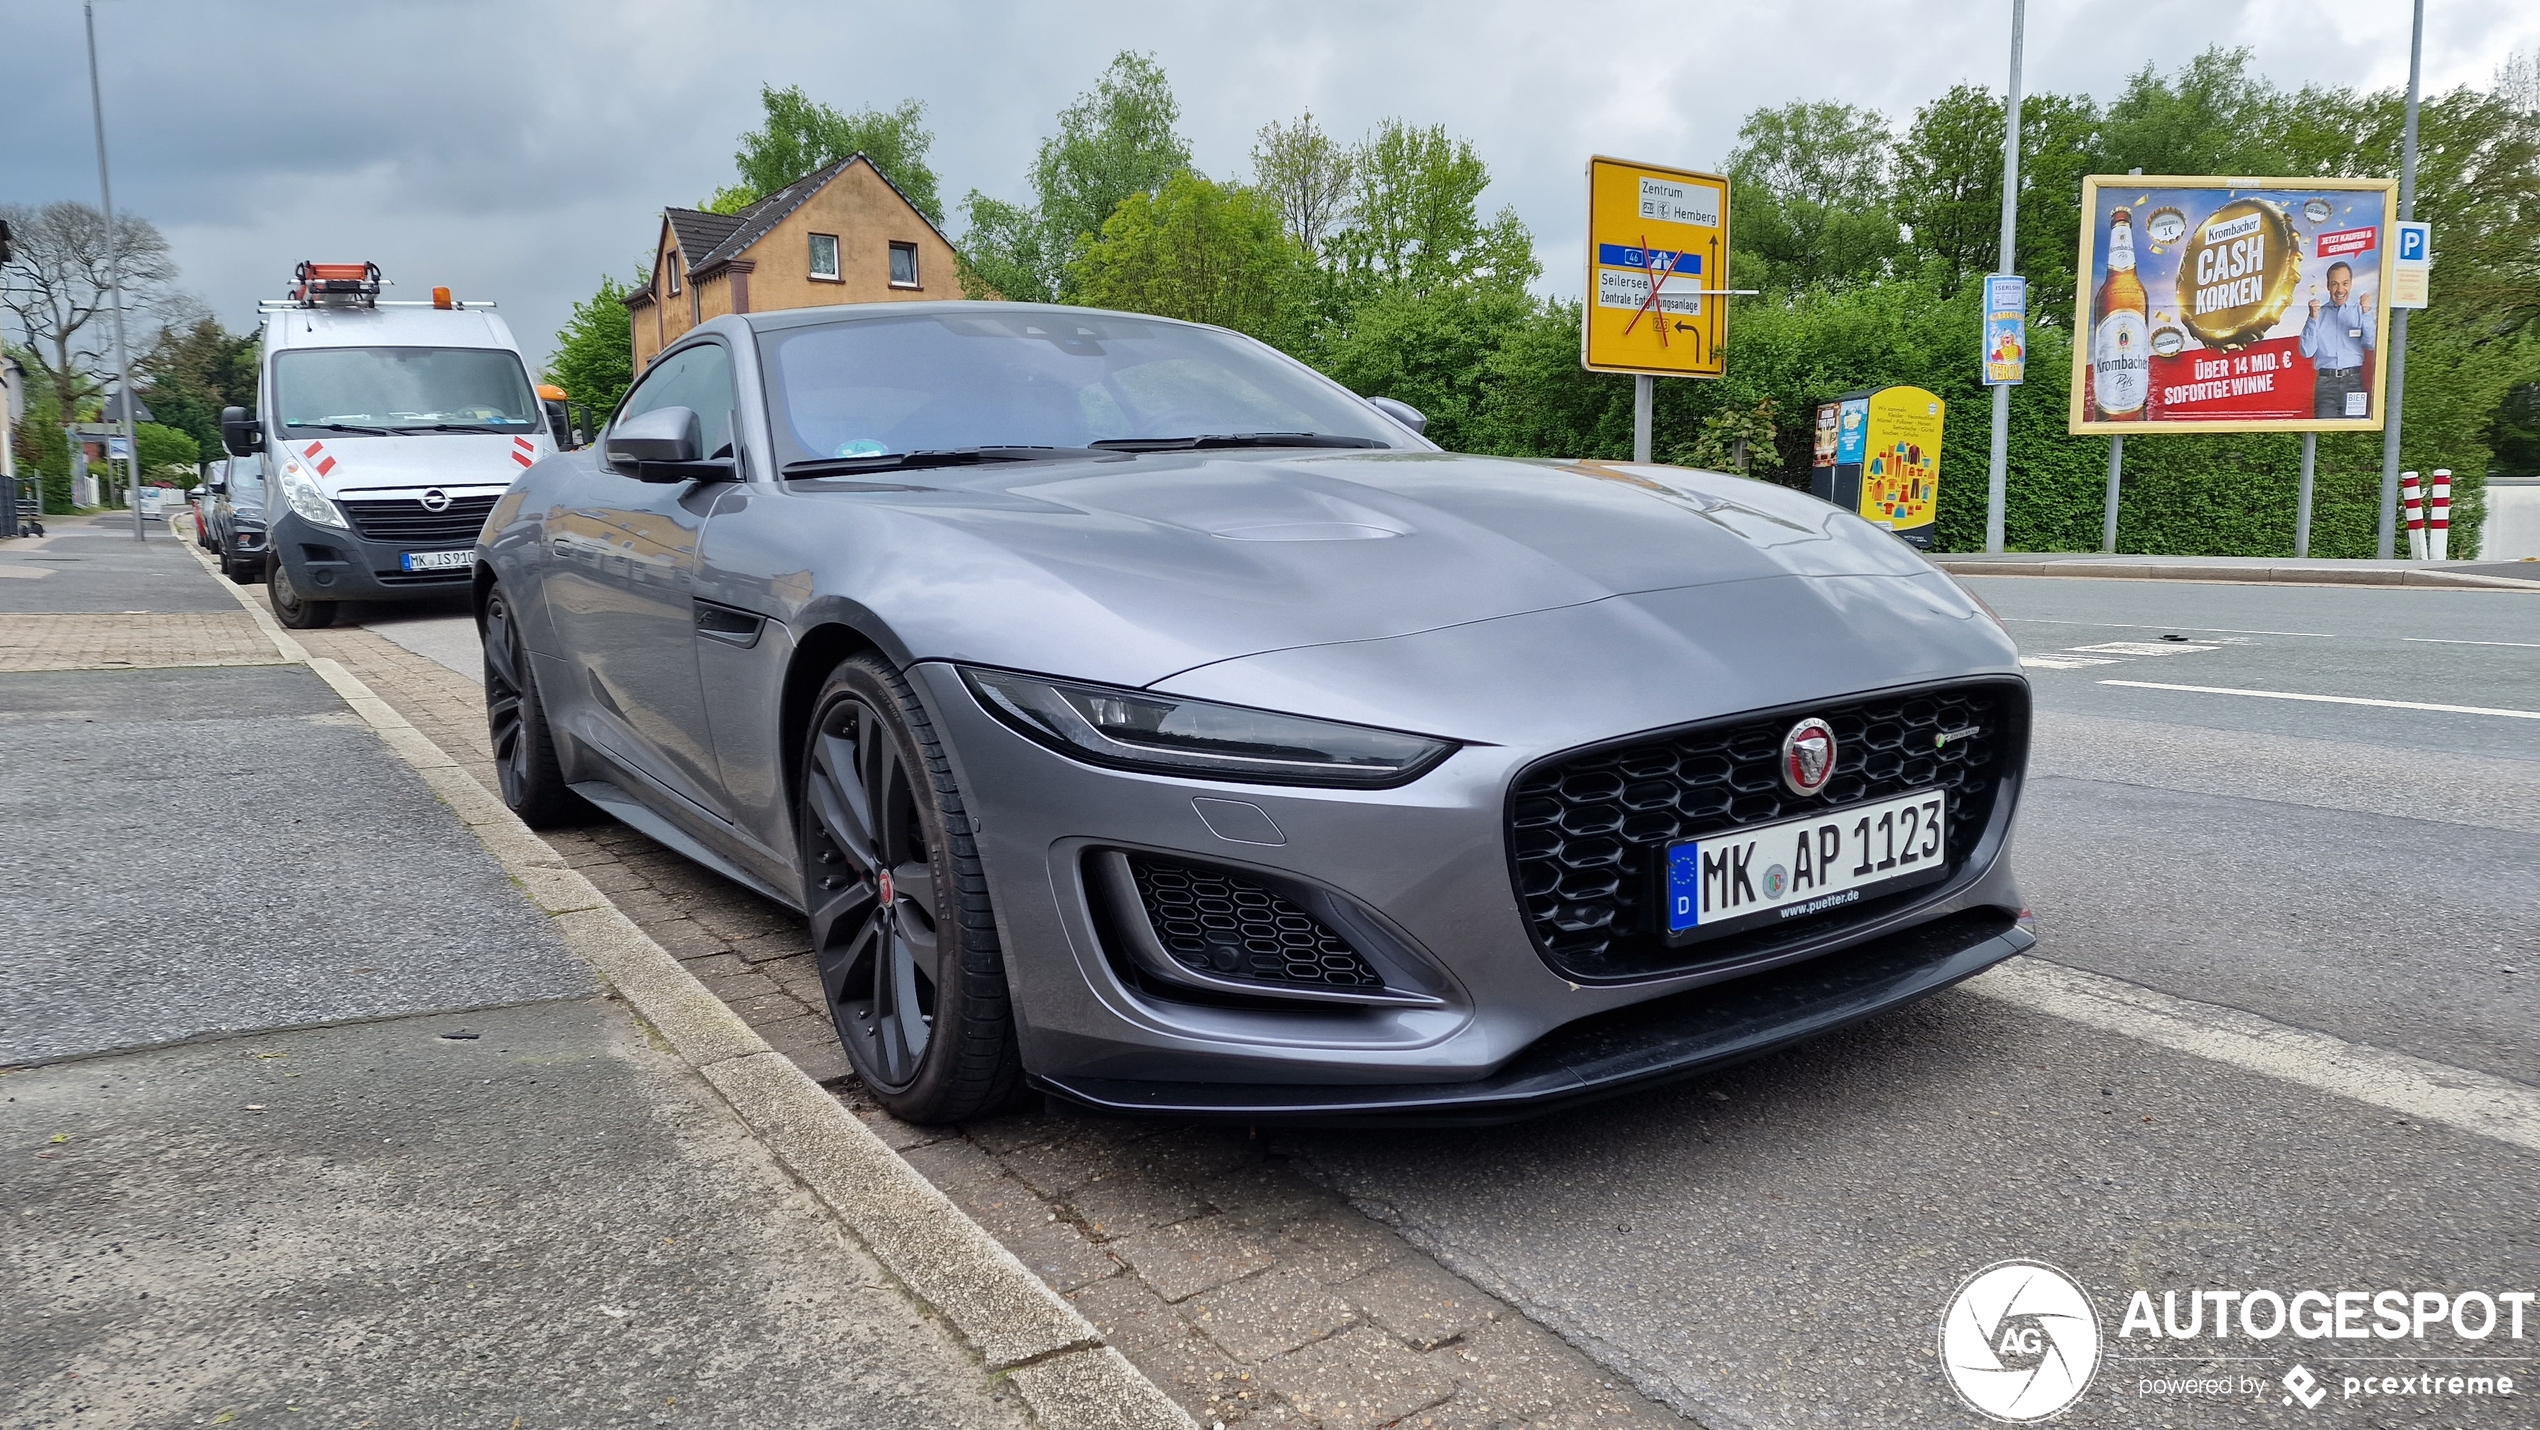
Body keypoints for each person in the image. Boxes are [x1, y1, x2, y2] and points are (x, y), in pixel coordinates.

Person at [2300, 261, 2375, 420]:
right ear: (2328, 286)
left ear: (2351, 284)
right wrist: (2312, 319)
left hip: (2354, 382)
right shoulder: (2318, 314)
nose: (2340, 289)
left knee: (2355, 434)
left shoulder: (2360, 311)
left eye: (2345, 283)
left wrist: (2367, 313)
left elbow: (2370, 343)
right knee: (2323, 432)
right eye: (2335, 284)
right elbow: (2306, 352)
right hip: (2326, 384)